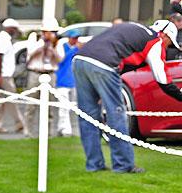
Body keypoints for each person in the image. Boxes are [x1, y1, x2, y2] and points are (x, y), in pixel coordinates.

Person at [73, 21, 182, 173]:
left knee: (88, 116)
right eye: (169, 43)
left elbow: (125, 62)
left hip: (80, 60)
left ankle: (94, 164)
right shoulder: (154, 39)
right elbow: (162, 78)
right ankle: (123, 164)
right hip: (104, 64)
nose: (166, 47)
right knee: (116, 113)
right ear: (165, 34)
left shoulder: (135, 29)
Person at [21, 18, 63, 136]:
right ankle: (28, 132)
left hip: (50, 74)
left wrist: (53, 46)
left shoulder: (57, 43)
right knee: (31, 105)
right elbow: (30, 54)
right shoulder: (35, 39)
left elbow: (60, 59)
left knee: (49, 106)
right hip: (35, 73)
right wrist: (43, 43)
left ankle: (47, 133)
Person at [0, 18, 25, 134]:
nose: (15, 31)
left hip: (1, 75)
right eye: (14, 29)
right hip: (3, 76)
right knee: (11, 100)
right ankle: (21, 123)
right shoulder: (3, 39)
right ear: (9, 28)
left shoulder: (2, 38)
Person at [53, 29, 80, 137]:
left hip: (73, 82)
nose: (75, 40)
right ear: (69, 38)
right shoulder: (62, 47)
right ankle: (66, 130)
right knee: (63, 107)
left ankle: (61, 127)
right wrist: (75, 49)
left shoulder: (76, 49)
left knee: (69, 107)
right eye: (73, 38)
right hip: (62, 81)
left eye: (76, 38)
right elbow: (62, 59)